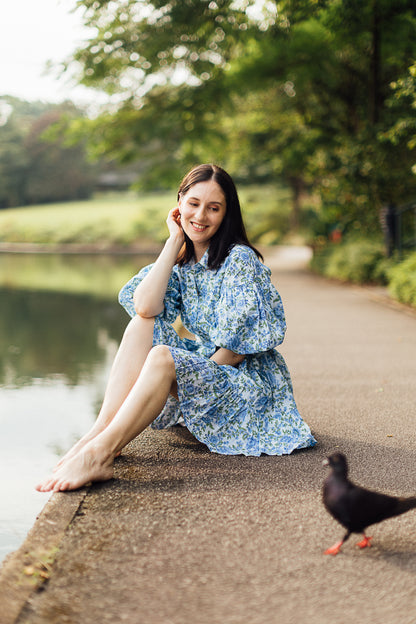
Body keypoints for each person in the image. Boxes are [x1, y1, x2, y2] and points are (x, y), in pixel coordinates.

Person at [36, 164, 316, 493]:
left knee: (162, 357)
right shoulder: (184, 259)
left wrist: (194, 380)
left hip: (244, 381)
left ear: (226, 214)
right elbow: (145, 307)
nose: (201, 215)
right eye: (193, 203)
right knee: (142, 326)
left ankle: (100, 455)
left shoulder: (239, 260)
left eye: (214, 208)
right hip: (210, 367)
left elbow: (240, 348)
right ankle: (99, 432)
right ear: (179, 203)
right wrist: (173, 242)